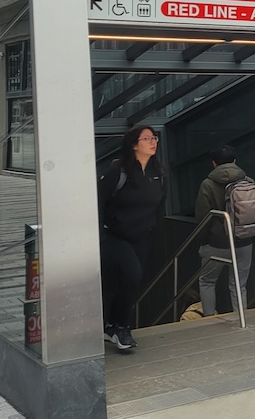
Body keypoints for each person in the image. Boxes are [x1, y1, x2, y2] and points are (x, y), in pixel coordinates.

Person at [97, 125, 166, 350]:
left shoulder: (158, 173)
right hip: (115, 236)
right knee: (132, 275)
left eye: (154, 138)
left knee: (129, 281)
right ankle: (122, 328)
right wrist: (100, 235)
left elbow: (159, 206)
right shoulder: (119, 170)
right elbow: (99, 201)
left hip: (142, 236)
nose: (153, 142)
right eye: (146, 138)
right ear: (134, 145)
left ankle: (110, 326)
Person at [194, 145, 254, 316]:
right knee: (239, 284)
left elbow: (203, 216)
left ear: (214, 163)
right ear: (234, 161)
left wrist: (204, 241)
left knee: (207, 281)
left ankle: (209, 319)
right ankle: (242, 317)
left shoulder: (208, 184)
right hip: (244, 241)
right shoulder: (248, 181)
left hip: (217, 243)